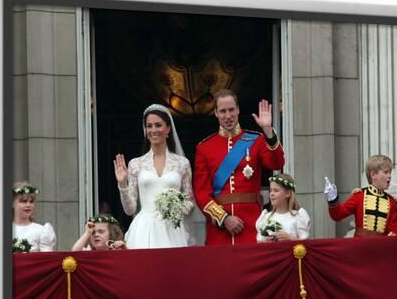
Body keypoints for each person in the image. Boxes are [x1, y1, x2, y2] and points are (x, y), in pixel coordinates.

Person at [193, 89, 285, 245]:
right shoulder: (204, 148)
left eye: (231, 110)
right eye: (223, 111)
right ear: (215, 113)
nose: (228, 116)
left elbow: (277, 163)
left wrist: (268, 131)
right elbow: (201, 193)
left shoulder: (257, 140)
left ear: (238, 110)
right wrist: (223, 218)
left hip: (252, 224)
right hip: (220, 230)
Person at [114, 104, 194, 249]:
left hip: (172, 230)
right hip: (144, 229)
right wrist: (122, 184)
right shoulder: (135, 164)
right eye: (149, 126)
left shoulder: (182, 163)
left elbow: (190, 202)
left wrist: (175, 208)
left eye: (158, 125)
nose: (153, 130)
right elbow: (129, 209)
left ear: (168, 129)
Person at [324, 154, 397, 237]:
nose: (389, 176)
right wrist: (332, 199)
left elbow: (394, 231)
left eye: (390, 173)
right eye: (386, 172)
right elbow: (337, 215)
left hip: (381, 248)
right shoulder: (359, 196)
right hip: (360, 247)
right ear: (373, 174)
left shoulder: (392, 202)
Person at [255, 174, 311, 242]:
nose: (271, 194)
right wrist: (266, 241)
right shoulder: (266, 217)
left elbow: (306, 243)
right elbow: (259, 243)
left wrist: (291, 239)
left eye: (276, 190)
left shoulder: (298, 216)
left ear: (287, 193)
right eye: (270, 190)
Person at [12, 181, 56, 252]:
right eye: (24, 201)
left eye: (31, 201)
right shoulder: (3, 230)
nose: (28, 205)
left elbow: (46, 258)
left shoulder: (41, 231)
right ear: (12, 203)